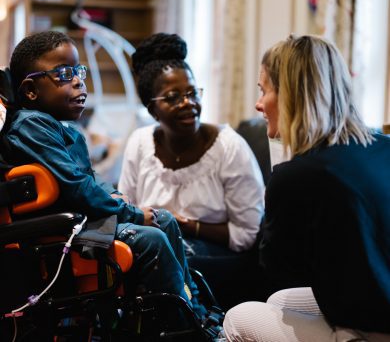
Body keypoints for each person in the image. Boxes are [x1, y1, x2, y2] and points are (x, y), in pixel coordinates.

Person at [0, 30, 204, 315]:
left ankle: (196, 309)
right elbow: (77, 187)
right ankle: (181, 321)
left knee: (165, 220)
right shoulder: (31, 126)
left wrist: (119, 199)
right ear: (31, 91)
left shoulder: (64, 131)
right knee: (152, 238)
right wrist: (130, 214)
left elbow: (91, 180)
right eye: (63, 74)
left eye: (79, 72)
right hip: (65, 235)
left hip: (83, 224)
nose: (78, 82)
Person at [222, 34, 390, 341]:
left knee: (238, 317)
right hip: (379, 301)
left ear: (290, 95)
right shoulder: (385, 147)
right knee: (280, 301)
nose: (258, 104)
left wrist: (275, 197)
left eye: (264, 90)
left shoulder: (297, 175)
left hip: (373, 329)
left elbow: (277, 267)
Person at [117, 32, 265, 308]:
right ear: (152, 109)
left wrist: (183, 223)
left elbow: (246, 234)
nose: (188, 103)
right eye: (173, 97)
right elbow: (129, 210)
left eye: (192, 92)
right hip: (158, 245)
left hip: (219, 254)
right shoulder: (139, 142)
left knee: (161, 259)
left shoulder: (229, 147)